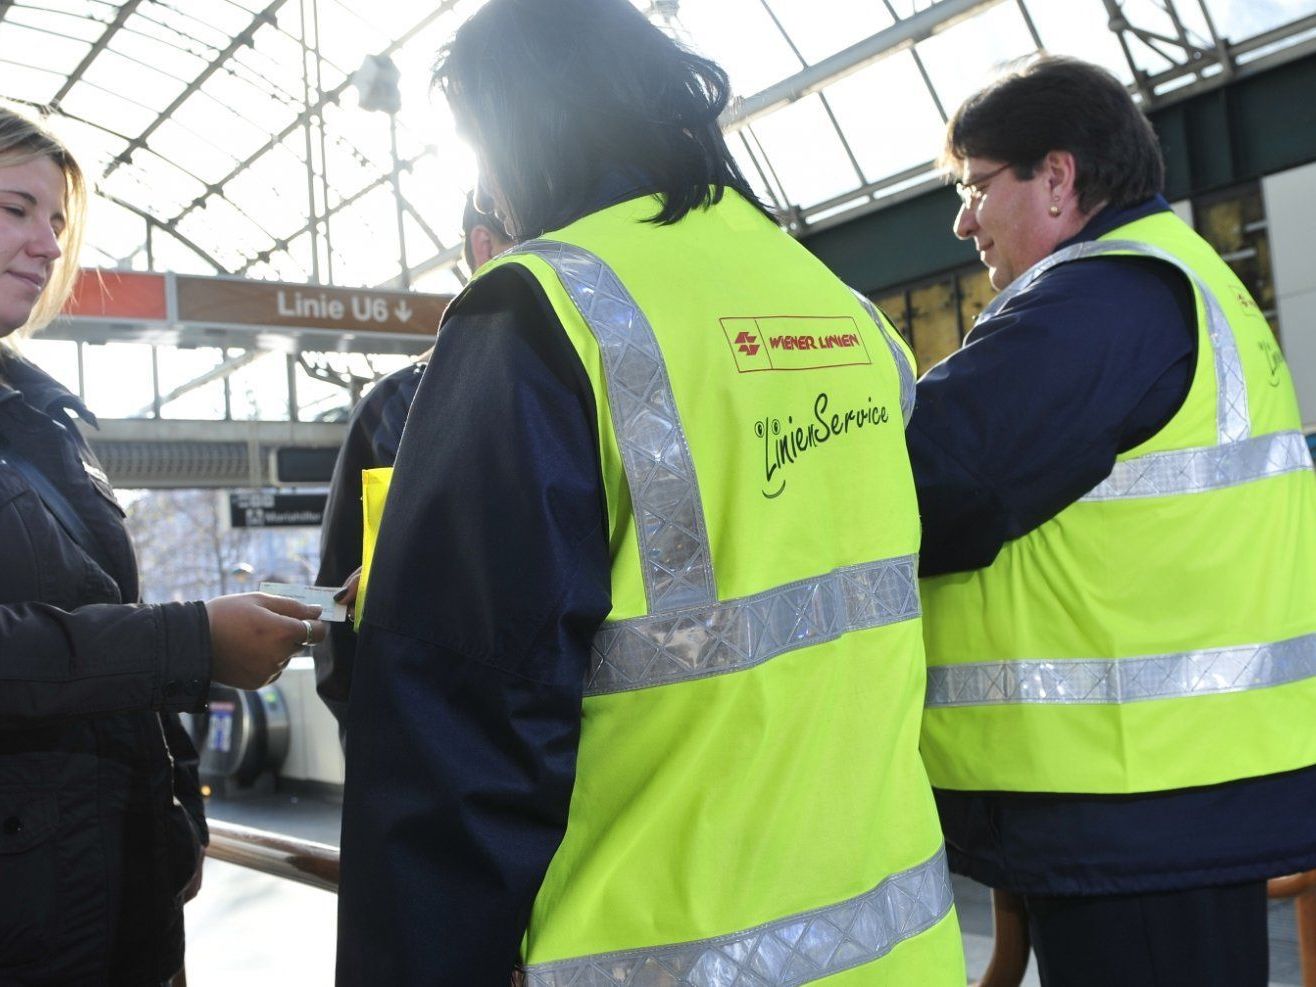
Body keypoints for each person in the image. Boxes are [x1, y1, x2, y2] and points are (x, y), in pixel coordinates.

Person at [335, 0, 964, 982]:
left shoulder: (539, 313)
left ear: (521, 125)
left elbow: (460, 730)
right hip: (891, 947)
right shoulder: (836, 310)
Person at [909, 56, 1316, 987]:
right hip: (1172, 790)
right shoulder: (1177, 284)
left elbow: (935, 480)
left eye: (976, 187)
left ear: (1057, 178)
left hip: (1132, 802)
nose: (963, 220)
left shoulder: (1101, 301)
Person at [0, 102, 326, 985]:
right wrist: (193, 639)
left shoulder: (39, 418)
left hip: (109, 884)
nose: (48, 245)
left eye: (59, 222)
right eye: (15, 209)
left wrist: (178, 804)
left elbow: (100, 616)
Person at [314, 194, 512, 734]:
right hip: (446, 751)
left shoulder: (600, 389)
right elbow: (340, 610)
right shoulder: (394, 411)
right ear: (484, 247)